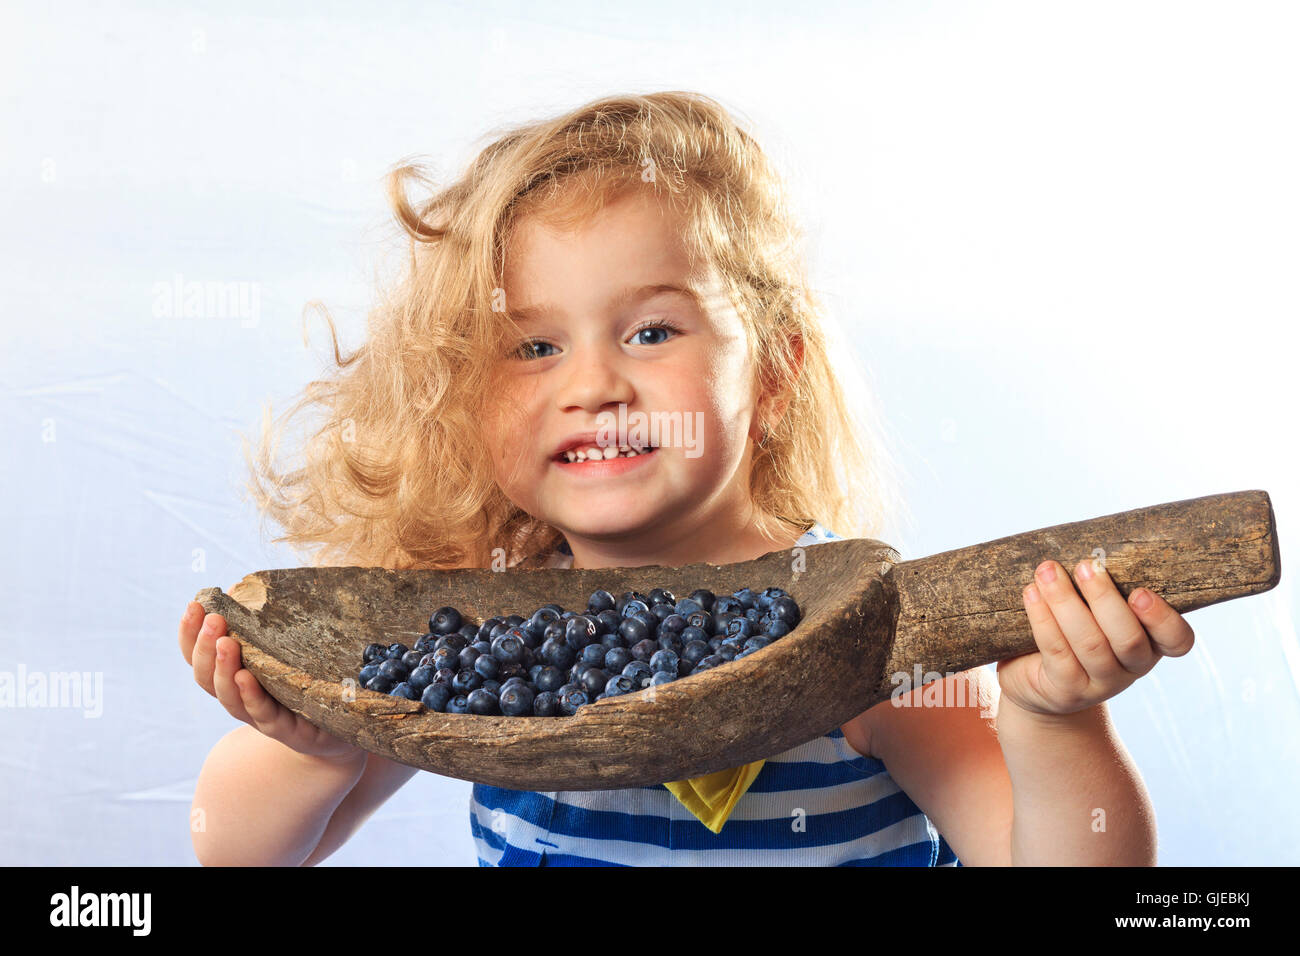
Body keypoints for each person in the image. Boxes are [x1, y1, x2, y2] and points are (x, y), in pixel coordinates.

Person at [179, 91, 1194, 866]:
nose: (592, 384)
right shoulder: (477, 654)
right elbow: (243, 849)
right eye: (530, 347)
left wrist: (1056, 719)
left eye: (651, 330)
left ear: (773, 373)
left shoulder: (867, 642)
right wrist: (313, 746)